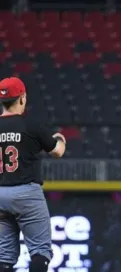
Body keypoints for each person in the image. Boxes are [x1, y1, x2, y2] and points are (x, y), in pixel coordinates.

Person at [0, 77, 66, 272]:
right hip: (26, 193)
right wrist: (60, 138)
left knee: (3, 256)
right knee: (40, 252)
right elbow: (57, 151)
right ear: (22, 98)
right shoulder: (30, 125)